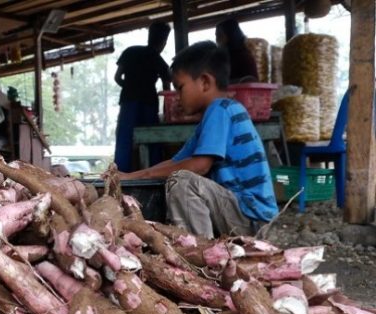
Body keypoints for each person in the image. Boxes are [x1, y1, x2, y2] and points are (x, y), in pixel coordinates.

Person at [118, 41, 278, 239]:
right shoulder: (213, 117)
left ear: (204, 82)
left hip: (253, 219)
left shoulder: (221, 109)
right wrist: (130, 176)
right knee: (178, 174)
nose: (177, 96)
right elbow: (176, 162)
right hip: (242, 214)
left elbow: (199, 166)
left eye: (180, 88)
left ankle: (200, 255)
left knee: (183, 182)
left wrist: (138, 176)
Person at [113, 21, 172, 172]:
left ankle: (119, 176)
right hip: (148, 103)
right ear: (164, 42)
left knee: (124, 140)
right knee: (153, 139)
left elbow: (117, 77)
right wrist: (168, 110)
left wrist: (130, 86)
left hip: (128, 100)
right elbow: (167, 84)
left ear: (149, 36)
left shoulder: (130, 51)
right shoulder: (157, 58)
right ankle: (155, 173)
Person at [215, 19, 259, 83]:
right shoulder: (223, 57)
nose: (216, 40)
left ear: (230, 35)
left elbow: (250, 81)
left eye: (219, 35)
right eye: (216, 36)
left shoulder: (244, 57)